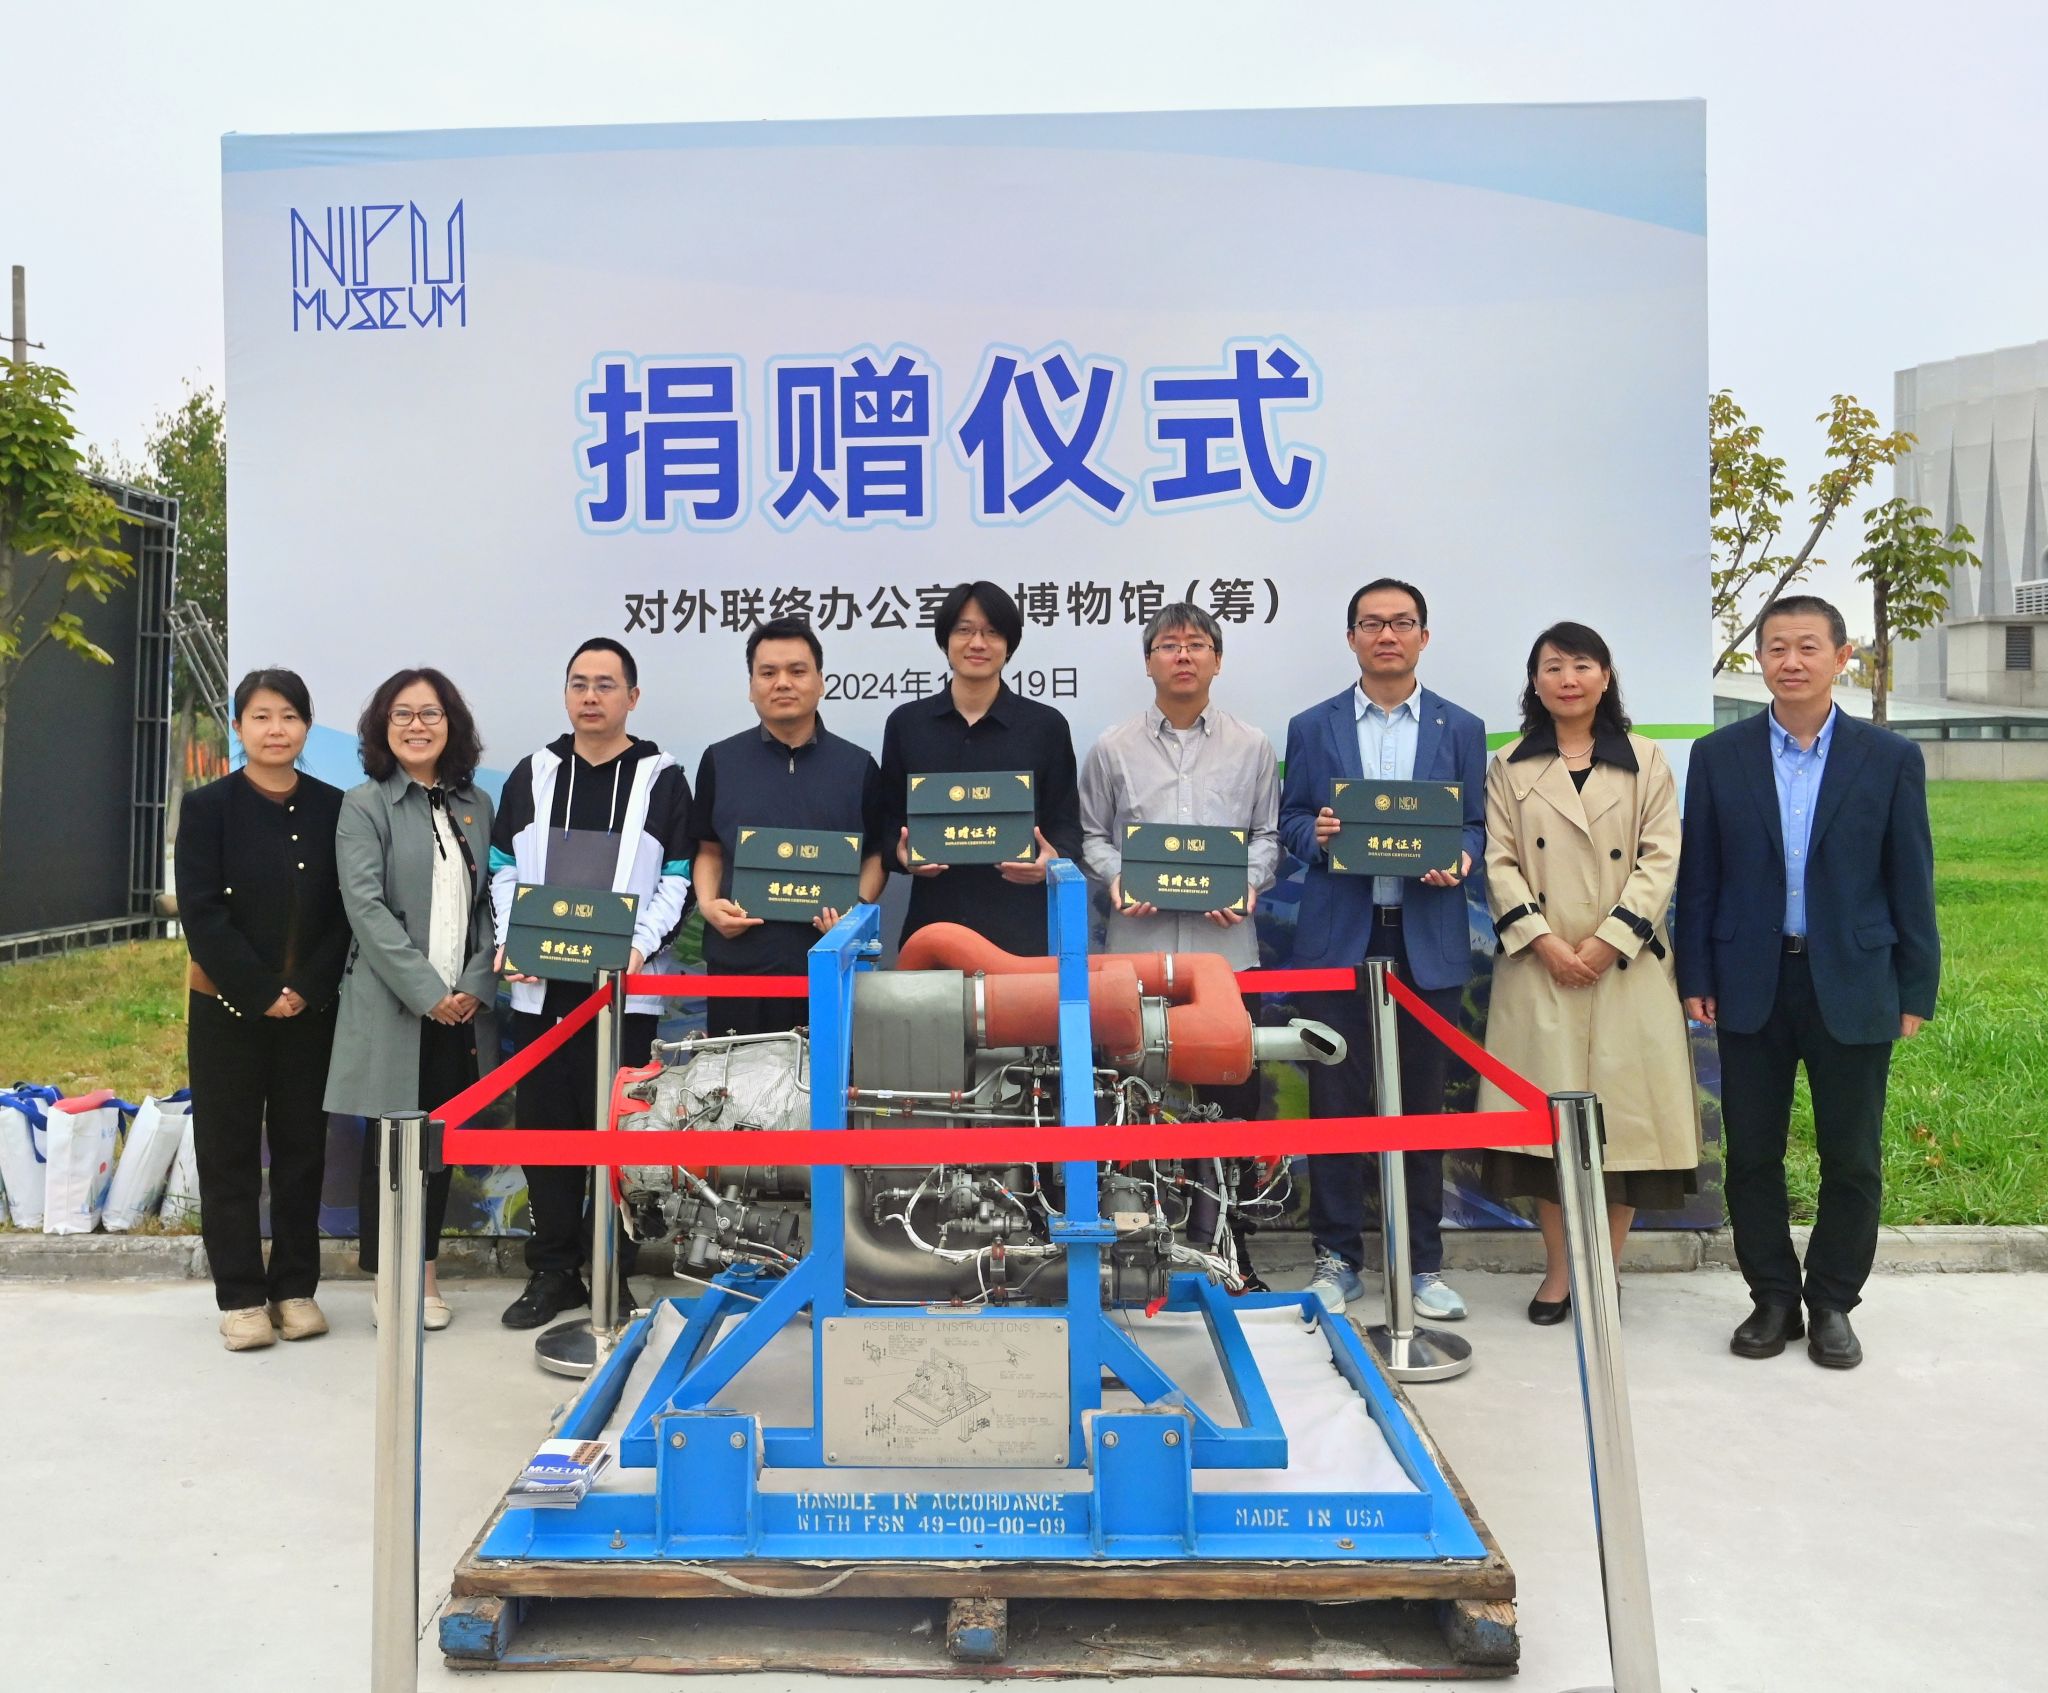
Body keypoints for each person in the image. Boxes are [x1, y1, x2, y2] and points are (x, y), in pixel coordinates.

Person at [1677, 594, 1938, 1369]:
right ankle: (1771, 1297)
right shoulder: (1719, 756)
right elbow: (1702, 878)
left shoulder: (1888, 758)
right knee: (1752, 1152)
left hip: (1854, 979)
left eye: (1807, 646)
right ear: (1759, 658)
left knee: (1851, 1155)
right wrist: (1696, 971)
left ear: (1841, 656)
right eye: (1776, 647)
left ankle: (1831, 1301)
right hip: (1749, 979)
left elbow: (1911, 877)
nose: (1790, 661)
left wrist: (1915, 987)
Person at [1477, 623, 1700, 1323]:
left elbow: (1661, 858)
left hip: (1625, 969)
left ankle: (1604, 1272)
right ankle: (1558, 1273)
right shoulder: (1508, 764)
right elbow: (1499, 861)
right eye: (1553, 667)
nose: (1567, 679)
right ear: (1534, 681)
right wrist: (1544, 941)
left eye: (1581, 665)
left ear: (1605, 676)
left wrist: (1609, 941)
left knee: (1623, 1130)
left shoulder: (1646, 759)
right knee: (1544, 1132)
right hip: (1539, 968)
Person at [1277, 579, 1485, 1321]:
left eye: (1402, 623)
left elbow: (1474, 824)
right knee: (1335, 1101)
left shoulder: (1461, 727)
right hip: (1340, 937)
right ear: (1352, 638)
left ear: (1424, 636)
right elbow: (1290, 821)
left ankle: (1422, 1262)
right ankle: (1337, 1257)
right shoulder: (1313, 725)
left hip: (1424, 937)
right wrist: (1317, 836)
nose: (1387, 635)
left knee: (1421, 1104)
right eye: (1372, 623)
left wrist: (1461, 857)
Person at [489, 638, 694, 1330]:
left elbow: (678, 879)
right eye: (579, 683)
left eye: (606, 684)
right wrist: (515, 938)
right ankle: (551, 1271)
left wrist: (639, 944)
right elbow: (502, 865)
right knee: (547, 1133)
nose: (591, 696)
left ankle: (610, 1269)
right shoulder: (534, 774)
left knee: (619, 1138)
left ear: (632, 697)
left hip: (626, 993)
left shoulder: (663, 779)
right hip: (541, 990)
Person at [174, 669, 350, 1351]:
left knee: (304, 1148)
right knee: (229, 1151)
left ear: (306, 726)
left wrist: (306, 986)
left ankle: (296, 1288)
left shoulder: (335, 807)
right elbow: (202, 912)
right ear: (238, 726)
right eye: (261, 716)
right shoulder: (208, 807)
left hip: (312, 1008)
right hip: (226, 1008)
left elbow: (345, 912)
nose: (276, 730)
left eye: (289, 716)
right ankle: (242, 1297)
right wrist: (259, 990)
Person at [326, 668, 498, 1331]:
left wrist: (474, 984)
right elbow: (365, 908)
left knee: (436, 1145)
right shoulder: (363, 805)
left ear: (451, 724)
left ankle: (425, 1275)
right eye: (402, 714)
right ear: (382, 727)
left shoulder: (475, 804)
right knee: (389, 1146)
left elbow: (489, 905)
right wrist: (429, 993)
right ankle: (389, 1280)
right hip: (397, 1004)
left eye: (430, 713)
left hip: (461, 1007)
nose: (417, 725)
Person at [689, 617, 888, 1032]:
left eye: (797, 671)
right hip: (739, 969)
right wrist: (708, 904)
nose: (782, 683)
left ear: (821, 682)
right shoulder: (720, 761)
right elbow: (708, 848)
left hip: (828, 964)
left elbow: (876, 854)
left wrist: (852, 913)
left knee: (826, 1074)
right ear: (751, 687)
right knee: (737, 1074)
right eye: (768, 673)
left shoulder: (858, 766)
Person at [879, 582, 1083, 957]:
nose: (978, 643)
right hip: (931, 931)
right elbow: (887, 823)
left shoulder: (1046, 726)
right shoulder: (907, 725)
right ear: (945, 641)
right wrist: (902, 855)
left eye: (992, 632)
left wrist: (1051, 861)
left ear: (1009, 645)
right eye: (964, 630)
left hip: (1022, 936)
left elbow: (1067, 826)